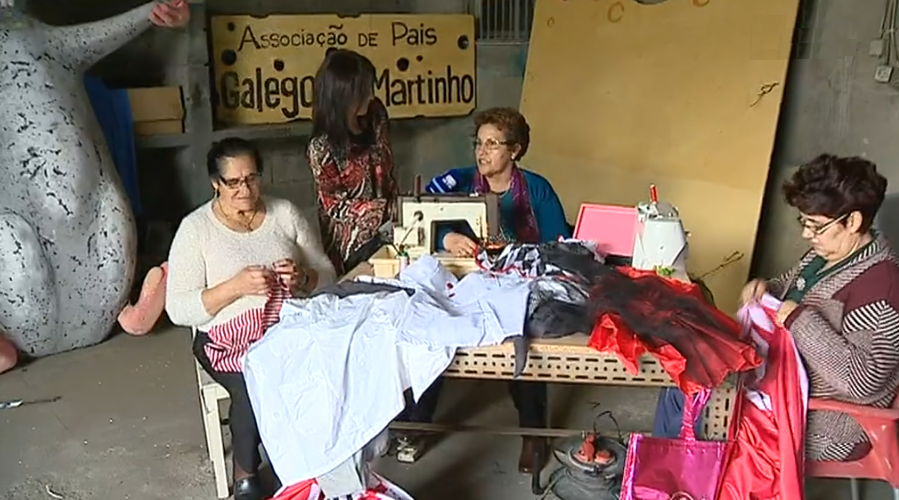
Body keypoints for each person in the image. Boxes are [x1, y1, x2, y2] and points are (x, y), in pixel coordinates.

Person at [165, 138, 336, 500]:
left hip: (285, 328)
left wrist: (303, 277)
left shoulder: (284, 214)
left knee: (325, 370)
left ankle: (310, 463)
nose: (245, 189)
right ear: (215, 183)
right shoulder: (196, 230)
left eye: (252, 178)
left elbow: (327, 274)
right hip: (224, 341)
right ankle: (246, 476)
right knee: (253, 385)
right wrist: (235, 287)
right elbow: (178, 309)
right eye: (233, 182)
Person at [405, 107, 570, 474]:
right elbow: (417, 215)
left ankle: (533, 433)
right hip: (465, 283)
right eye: (479, 143)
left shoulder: (536, 189)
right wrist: (447, 236)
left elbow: (560, 244)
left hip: (518, 283)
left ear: (515, 150)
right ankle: (417, 424)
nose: (482, 152)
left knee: (522, 335)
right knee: (431, 329)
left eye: (493, 144)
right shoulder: (458, 181)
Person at [740, 153, 899, 462]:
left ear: (852, 222)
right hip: (783, 397)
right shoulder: (823, 257)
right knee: (688, 396)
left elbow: (863, 380)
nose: (806, 234)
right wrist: (765, 289)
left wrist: (800, 321)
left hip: (830, 425)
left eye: (815, 226)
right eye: (804, 222)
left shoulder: (882, 288)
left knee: (712, 423)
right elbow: (790, 288)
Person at [306, 49, 398, 275]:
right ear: (344, 96)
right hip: (351, 240)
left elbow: (387, 167)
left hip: (391, 222)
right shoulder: (321, 148)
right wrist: (379, 210)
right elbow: (334, 206)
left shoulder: (375, 115)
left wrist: (398, 206)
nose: (370, 96)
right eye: (363, 91)